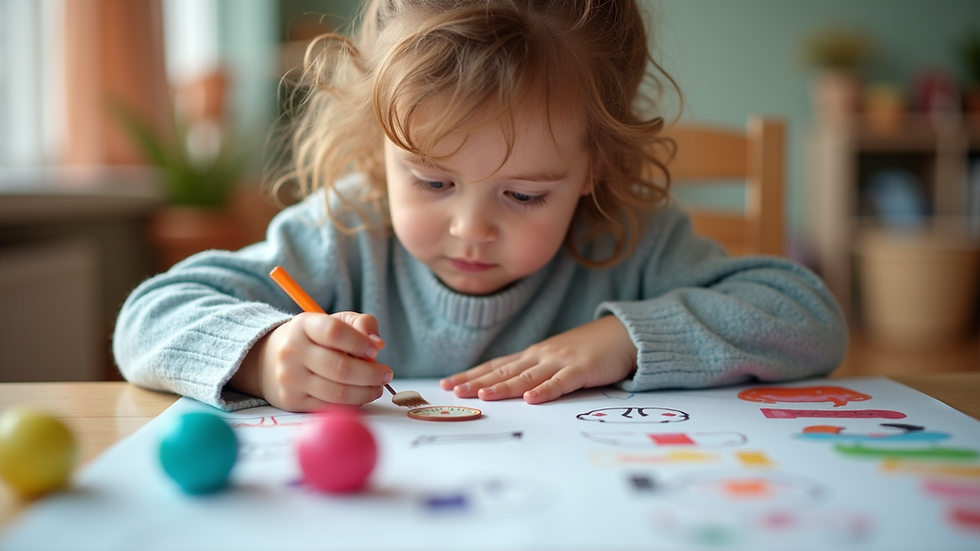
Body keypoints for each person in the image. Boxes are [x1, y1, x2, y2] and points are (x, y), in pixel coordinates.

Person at [114, 0, 847, 413]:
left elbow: (807, 315)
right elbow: (149, 314)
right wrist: (265, 356)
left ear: (592, 167)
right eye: (432, 183)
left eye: (525, 194)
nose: (470, 228)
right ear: (379, 154)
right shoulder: (344, 231)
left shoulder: (632, 241)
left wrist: (626, 340)